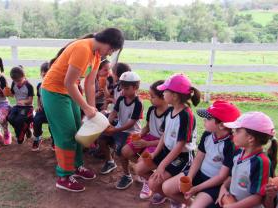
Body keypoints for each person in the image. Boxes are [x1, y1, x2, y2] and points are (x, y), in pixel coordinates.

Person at [41, 28, 124, 192]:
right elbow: (69, 82)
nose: (109, 53)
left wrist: (91, 109)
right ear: (107, 42)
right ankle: (63, 176)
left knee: (78, 130)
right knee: (66, 135)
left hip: (67, 92)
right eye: (111, 49)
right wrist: (85, 107)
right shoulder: (82, 49)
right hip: (53, 92)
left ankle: (77, 166)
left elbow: (89, 84)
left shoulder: (96, 54)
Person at [134, 73, 201, 205]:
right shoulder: (170, 111)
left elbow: (180, 145)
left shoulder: (186, 116)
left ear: (175, 96)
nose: (162, 93)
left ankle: (186, 202)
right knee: (139, 169)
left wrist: (162, 165)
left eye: (165, 91)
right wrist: (155, 153)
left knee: (154, 182)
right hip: (167, 151)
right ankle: (165, 192)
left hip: (181, 157)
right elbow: (164, 136)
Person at [162, 100, 241, 208]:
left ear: (222, 125)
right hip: (199, 174)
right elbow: (199, 157)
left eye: (208, 118)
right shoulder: (208, 134)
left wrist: (196, 188)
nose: (204, 120)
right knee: (167, 188)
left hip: (214, 183)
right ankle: (189, 204)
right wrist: (189, 177)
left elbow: (221, 177)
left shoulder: (231, 144)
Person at [217, 112, 277, 208]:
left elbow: (258, 197)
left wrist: (233, 206)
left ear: (250, 138)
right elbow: (234, 176)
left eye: (237, 131)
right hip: (232, 202)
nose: (233, 133)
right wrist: (223, 187)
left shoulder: (261, 162)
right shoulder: (239, 153)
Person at [98, 71, 143, 190]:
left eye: (126, 88)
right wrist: (107, 124)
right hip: (119, 128)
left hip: (132, 132)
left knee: (122, 152)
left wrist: (115, 129)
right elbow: (114, 112)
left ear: (136, 88)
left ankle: (127, 175)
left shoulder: (138, 103)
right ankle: (110, 162)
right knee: (101, 139)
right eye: (122, 87)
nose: (123, 90)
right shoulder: (121, 98)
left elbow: (132, 123)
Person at [7, 66, 34, 145]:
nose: (17, 82)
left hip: (27, 107)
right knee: (10, 118)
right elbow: (12, 94)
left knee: (19, 120)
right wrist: (8, 92)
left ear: (24, 76)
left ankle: (20, 136)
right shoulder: (14, 83)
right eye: (15, 81)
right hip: (17, 106)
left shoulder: (29, 86)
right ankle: (26, 128)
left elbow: (30, 101)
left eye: (19, 80)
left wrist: (24, 102)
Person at [32, 62, 54, 151]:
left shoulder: (54, 85)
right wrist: (38, 105)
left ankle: (54, 140)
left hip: (53, 110)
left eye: (47, 71)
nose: (45, 73)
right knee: (36, 120)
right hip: (43, 109)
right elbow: (39, 97)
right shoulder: (39, 86)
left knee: (52, 124)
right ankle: (37, 138)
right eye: (43, 72)